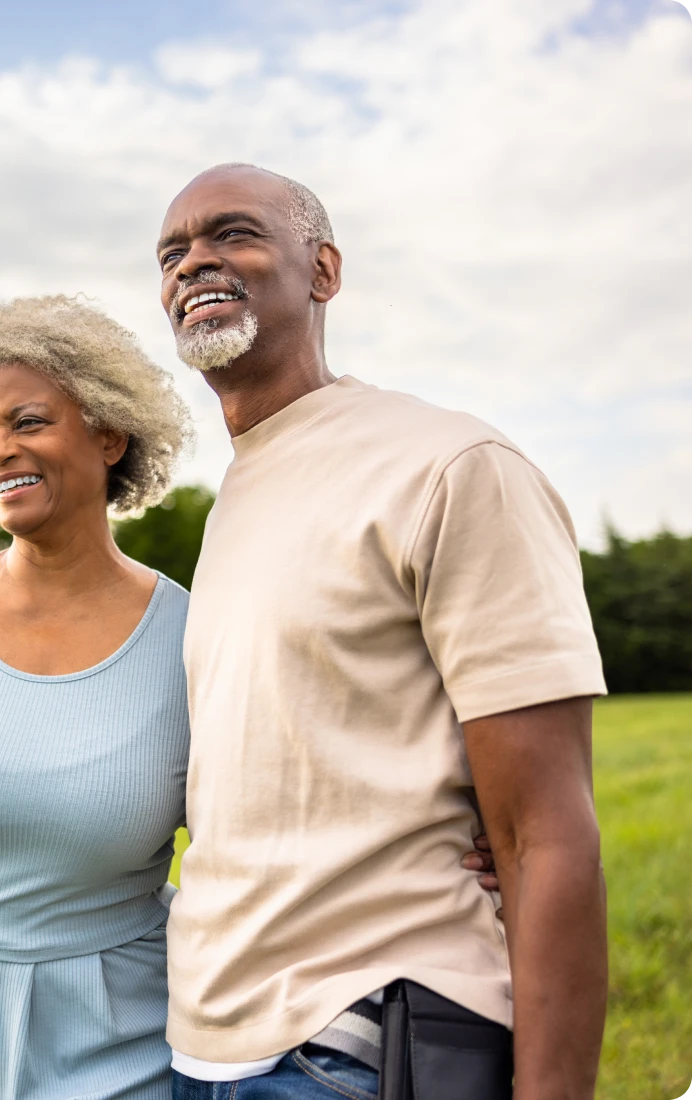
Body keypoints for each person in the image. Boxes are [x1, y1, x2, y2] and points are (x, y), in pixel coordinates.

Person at [0, 295, 499, 1100]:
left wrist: (469, 826)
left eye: (28, 422)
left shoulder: (192, 632)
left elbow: (289, 803)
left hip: (120, 1038)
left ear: (109, 434)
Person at [157, 163, 608, 1100]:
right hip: (202, 1052)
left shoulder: (450, 466)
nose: (194, 260)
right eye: (171, 253)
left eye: (232, 235)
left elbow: (545, 832)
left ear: (323, 271)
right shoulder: (233, 501)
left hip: (363, 1042)